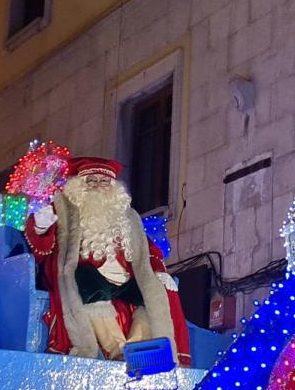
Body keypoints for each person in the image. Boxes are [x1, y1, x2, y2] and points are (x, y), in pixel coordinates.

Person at [24, 156, 191, 365]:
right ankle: (117, 350)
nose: (98, 186)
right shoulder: (65, 211)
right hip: (87, 277)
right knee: (87, 280)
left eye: (104, 182)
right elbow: (42, 248)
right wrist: (40, 227)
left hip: (124, 280)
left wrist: (159, 271)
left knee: (152, 293)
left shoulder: (127, 217)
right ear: (80, 185)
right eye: (91, 181)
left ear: (113, 188)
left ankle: (138, 347)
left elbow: (149, 251)